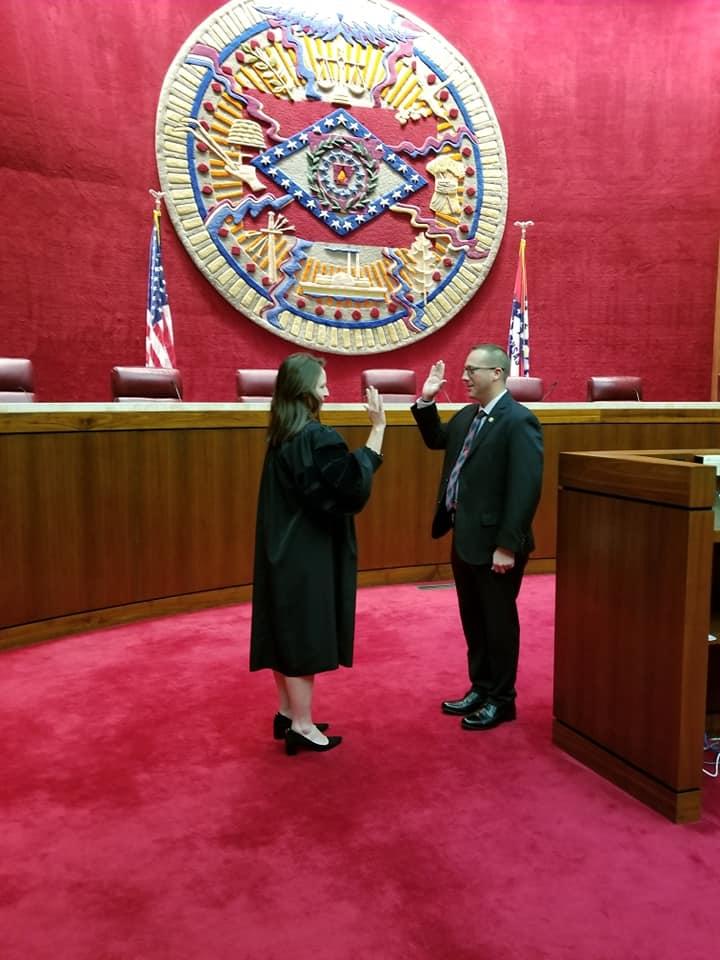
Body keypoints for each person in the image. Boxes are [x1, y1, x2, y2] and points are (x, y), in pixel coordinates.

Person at [250, 353, 385, 754]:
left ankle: (287, 713)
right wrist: (377, 431)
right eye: (322, 384)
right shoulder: (315, 436)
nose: (328, 390)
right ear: (304, 389)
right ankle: (302, 726)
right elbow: (350, 489)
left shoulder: (283, 433)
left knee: (284, 632)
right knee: (303, 638)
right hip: (306, 554)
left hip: (281, 549)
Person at [412, 344, 543, 730]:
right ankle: (481, 686)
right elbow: (437, 439)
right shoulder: (470, 415)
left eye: (472, 370)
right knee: (474, 619)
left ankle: (502, 699)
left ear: (497, 373)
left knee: (498, 623)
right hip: (465, 538)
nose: (465, 376)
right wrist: (426, 399)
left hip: (496, 546)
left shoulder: (519, 421)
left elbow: (525, 488)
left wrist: (507, 544)